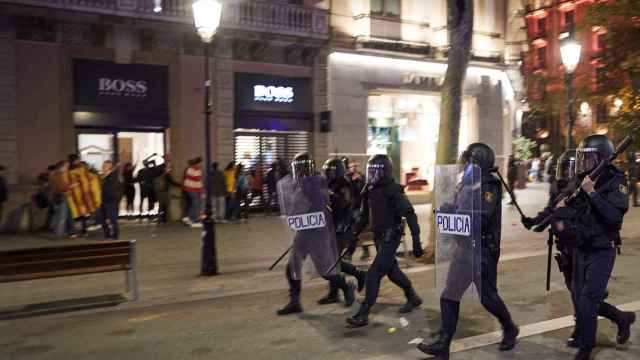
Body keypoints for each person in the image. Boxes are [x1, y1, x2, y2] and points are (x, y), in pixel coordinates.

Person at [522, 149, 635, 352]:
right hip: (574, 246)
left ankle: (588, 337)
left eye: (589, 158)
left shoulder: (612, 181)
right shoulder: (577, 182)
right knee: (580, 297)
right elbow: (554, 207)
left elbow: (613, 216)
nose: (570, 171)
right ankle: (617, 319)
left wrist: (591, 193)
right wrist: (536, 221)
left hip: (595, 247)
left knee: (586, 299)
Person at [418, 143, 519, 357]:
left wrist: (456, 216)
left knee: (488, 297)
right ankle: (443, 344)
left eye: (468, 161)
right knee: (449, 294)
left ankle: (509, 327)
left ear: (478, 162)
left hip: (482, 250)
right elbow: (461, 209)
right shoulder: (465, 183)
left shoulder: (489, 186)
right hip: (464, 248)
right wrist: (448, 211)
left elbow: (480, 218)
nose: (464, 165)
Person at [346, 154, 424, 327]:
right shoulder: (369, 190)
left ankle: (364, 313)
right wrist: (353, 235)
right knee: (392, 271)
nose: (372, 175)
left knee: (374, 273)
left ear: (385, 172)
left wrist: (416, 240)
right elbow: (363, 216)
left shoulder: (393, 190)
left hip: (391, 237)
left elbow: (409, 213)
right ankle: (413, 297)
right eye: (370, 171)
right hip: (379, 237)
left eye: (376, 171)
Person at [277, 152, 355, 315]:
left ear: (307, 169)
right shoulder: (300, 184)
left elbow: (319, 208)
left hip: (317, 233)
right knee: (292, 266)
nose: (297, 172)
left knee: (325, 270)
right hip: (304, 232)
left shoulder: (315, 184)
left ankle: (346, 287)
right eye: (296, 168)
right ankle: (295, 302)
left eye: (300, 168)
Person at [317, 157, 366, 305]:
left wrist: (329, 194)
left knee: (330, 263)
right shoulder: (329, 184)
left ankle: (345, 287)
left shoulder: (344, 185)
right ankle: (339, 289)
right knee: (333, 262)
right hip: (329, 228)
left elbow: (343, 204)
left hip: (341, 229)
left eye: (329, 171)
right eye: (326, 171)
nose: (327, 174)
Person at [346, 160, 370, 260]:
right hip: (351, 208)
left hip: (360, 209)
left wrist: (359, 181)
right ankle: (364, 250)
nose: (354, 168)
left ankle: (350, 253)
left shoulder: (362, 178)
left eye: (355, 166)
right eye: (352, 166)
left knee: (356, 228)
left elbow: (363, 192)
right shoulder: (347, 178)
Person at [100, 160, 121, 239]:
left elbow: (111, 189)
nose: (102, 167)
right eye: (103, 165)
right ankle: (107, 235)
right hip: (104, 201)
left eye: (105, 165)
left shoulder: (112, 176)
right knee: (103, 219)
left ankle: (115, 236)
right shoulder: (104, 176)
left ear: (109, 167)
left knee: (112, 219)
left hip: (110, 201)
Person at [182, 157, 204, 228]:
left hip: (196, 190)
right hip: (192, 190)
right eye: (200, 163)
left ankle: (190, 219)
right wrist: (198, 171)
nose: (201, 164)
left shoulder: (196, 170)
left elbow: (199, 180)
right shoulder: (191, 169)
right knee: (195, 205)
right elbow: (197, 178)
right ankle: (193, 220)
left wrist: (201, 190)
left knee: (195, 204)